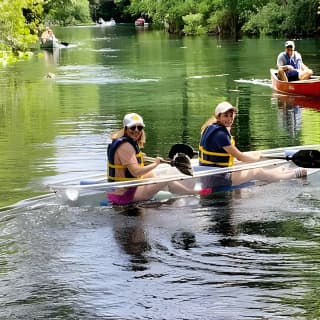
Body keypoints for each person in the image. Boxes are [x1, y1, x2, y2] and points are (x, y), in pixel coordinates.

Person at [198, 101, 307, 191]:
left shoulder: (210, 127)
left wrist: (254, 156)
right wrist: (256, 158)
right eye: (225, 116)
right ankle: (291, 175)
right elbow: (239, 156)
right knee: (256, 171)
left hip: (211, 174)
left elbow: (233, 157)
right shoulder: (220, 135)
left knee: (244, 164)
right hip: (216, 179)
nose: (229, 119)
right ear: (218, 116)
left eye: (231, 116)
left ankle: (274, 172)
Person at [107, 113, 198, 205]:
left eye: (140, 127)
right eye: (133, 127)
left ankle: (185, 192)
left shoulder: (124, 142)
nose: (136, 130)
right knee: (166, 179)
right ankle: (190, 193)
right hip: (126, 194)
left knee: (152, 174)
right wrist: (155, 163)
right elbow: (136, 172)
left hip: (125, 187)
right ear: (125, 128)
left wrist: (140, 158)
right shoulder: (125, 146)